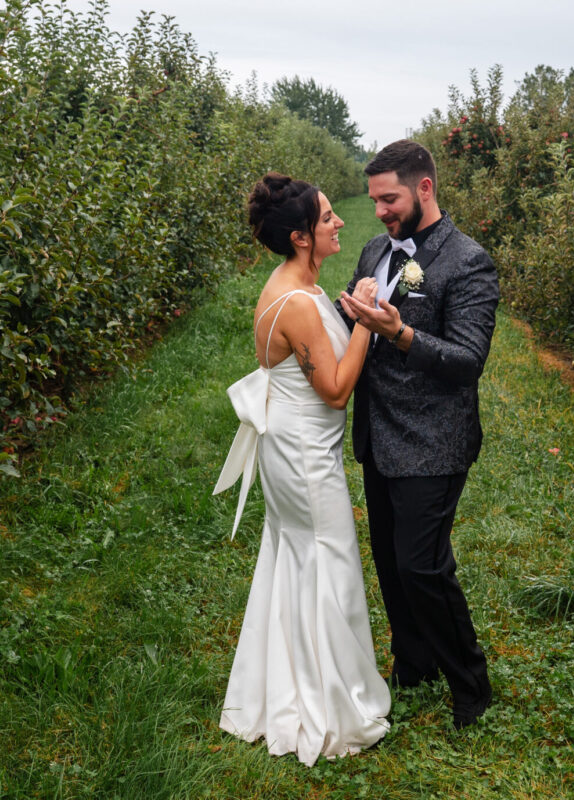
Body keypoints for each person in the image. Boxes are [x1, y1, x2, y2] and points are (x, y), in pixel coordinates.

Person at [213, 173, 390, 765]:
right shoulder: (295, 302)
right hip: (306, 459)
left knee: (297, 557)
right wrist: (365, 321)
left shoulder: (295, 286)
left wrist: (347, 306)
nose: (339, 222)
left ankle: (290, 682)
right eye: (327, 218)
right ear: (300, 237)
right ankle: (331, 702)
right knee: (328, 556)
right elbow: (337, 390)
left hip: (293, 446)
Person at [336, 140, 499, 730]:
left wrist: (401, 334)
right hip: (379, 433)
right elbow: (356, 325)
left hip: (433, 437)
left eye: (389, 198)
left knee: (423, 566)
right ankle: (413, 662)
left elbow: (467, 359)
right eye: (375, 198)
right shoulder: (375, 249)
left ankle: (471, 684)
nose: (379, 209)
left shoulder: (467, 260)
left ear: (424, 188)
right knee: (389, 558)